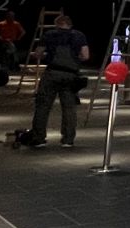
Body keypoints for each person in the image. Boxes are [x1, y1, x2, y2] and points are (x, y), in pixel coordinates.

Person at [19, 13, 89, 149]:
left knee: (43, 106)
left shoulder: (49, 34)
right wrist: (76, 59)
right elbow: (86, 56)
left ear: (57, 24)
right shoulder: (79, 35)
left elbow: (38, 53)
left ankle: (39, 138)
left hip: (52, 73)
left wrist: (45, 55)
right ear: (70, 24)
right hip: (70, 76)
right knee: (69, 109)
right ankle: (68, 140)